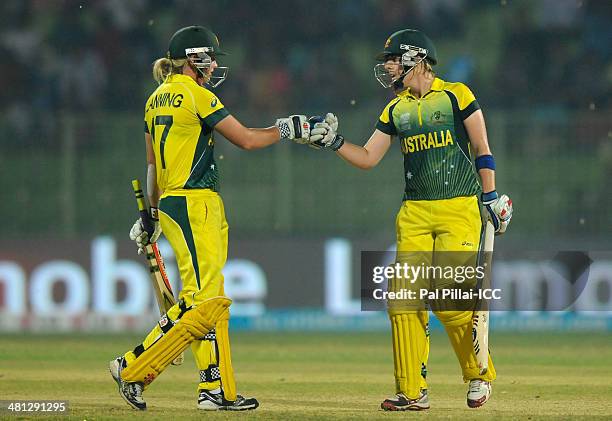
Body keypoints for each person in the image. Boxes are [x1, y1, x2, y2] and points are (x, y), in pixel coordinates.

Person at [307, 29, 513, 410]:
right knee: (402, 301)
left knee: (449, 302)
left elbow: (482, 149)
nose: (386, 67)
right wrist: (333, 143)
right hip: (414, 211)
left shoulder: (457, 95)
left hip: (460, 207)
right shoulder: (395, 108)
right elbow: (369, 158)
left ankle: (479, 375)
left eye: (391, 59)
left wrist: (491, 197)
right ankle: (411, 392)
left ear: (416, 58)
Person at [109, 25, 311, 411]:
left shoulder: (154, 100)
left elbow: (152, 167)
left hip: (174, 203)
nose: (215, 64)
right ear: (192, 58)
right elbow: (248, 140)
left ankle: (215, 389)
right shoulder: (197, 95)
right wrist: (288, 128)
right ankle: (131, 367)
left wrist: (151, 216)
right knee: (203, 304)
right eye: (210, 56)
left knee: (211, 299)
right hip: (194, 203)